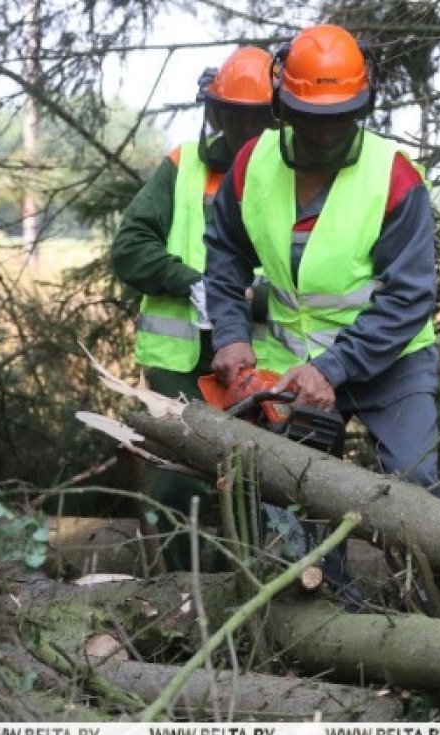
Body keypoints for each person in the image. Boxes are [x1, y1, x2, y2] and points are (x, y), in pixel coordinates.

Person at [205, 24, 440, 503]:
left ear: (362, 106)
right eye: (310, 117)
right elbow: (225, 253)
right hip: (291, 364)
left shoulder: (394, 177)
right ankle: (316, 580)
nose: (325, 132)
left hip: (391, 363)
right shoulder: (254, 163)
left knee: (414, 488)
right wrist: (231, 334)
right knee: (289, 498)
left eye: (340, 117)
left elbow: (410, 294)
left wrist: (334, 367)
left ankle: (422, 579)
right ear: (283, 106)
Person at [110, 47, 275, 570]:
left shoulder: (290, 174)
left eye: (256, 117)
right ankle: (184, 596)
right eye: (234, 115)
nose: (245, 129)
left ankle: (253, 595)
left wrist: (259, 298)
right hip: (179, 360)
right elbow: (130, 248)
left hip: (260, 353)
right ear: (214, 112)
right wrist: (192, 283)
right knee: (178, 484)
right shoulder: (182, 167)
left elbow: (316, 268)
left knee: (256, 481)